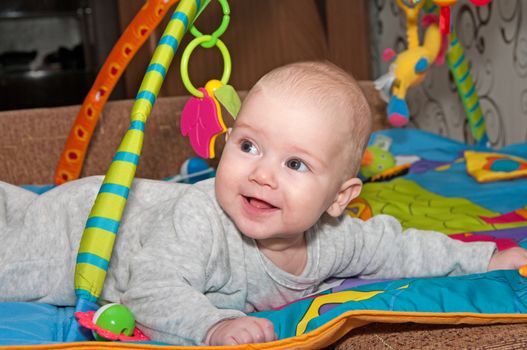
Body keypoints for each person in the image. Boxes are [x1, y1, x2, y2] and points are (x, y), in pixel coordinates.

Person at [1, 61, 526, 346]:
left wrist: (487, 258)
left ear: (339, 199)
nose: (260, 173)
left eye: (295, 164)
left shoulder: (337, 239)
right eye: (248, 146)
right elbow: (151, 290)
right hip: (83, 229)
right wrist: (212, 326)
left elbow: (403, 251)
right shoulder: (200, 219)